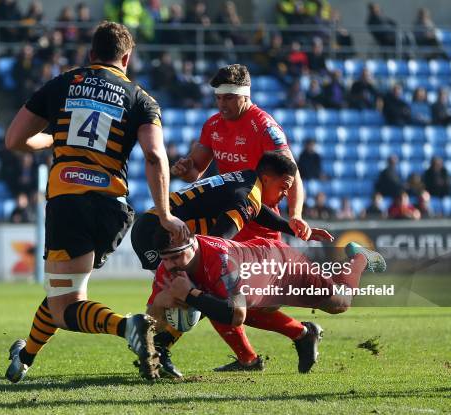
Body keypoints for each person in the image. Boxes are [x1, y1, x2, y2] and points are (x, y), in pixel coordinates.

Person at [3, 21, 188, 383]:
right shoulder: (140, 98)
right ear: (126, 57)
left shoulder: (64, 83)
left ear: (90, 55)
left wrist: (55, 139)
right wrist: (164, 212)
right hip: (111, 207)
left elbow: (14, 139)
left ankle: (127, 327)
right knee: (64, 291)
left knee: (66, 305)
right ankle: (24, 357)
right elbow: (154, 155)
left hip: (68, 199)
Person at [133, 154, 333, 377]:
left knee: (203, 298)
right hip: (163, 236)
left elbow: (255, 210)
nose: (286, 194)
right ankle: (159, 349)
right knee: (196, 296)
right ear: (266, 179)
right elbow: (219, 241)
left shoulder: (244, 178)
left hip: (150, 226)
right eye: (284, 186)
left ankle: (277, 345)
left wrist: (291, 228)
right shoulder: (248, 195)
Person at [169, 64, 311, 372]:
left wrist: (296, 214)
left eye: (229, 98)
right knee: (215, 292)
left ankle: (300, 334)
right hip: (230, 221)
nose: (222, 104)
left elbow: (293, 174)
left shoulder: (264, 127)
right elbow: (197, 169)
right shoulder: (213, 125)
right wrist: (184, 169)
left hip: (260, 224)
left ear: (245, 95)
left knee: (242, 305)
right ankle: (257, 354)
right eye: (218, 98)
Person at [148, 229, 386, 373]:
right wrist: (161, 300)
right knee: (215, 302)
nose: (171, 265)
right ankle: (303, 335)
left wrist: (190, 296)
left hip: (281, 265)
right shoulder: (167, 268)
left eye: (177, 256)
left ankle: (360, 257)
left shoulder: (222, 261)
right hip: (255, 286)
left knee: (340, 302)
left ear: (193, 246)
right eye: (166, 259)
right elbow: (152, 315)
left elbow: (235, 316)